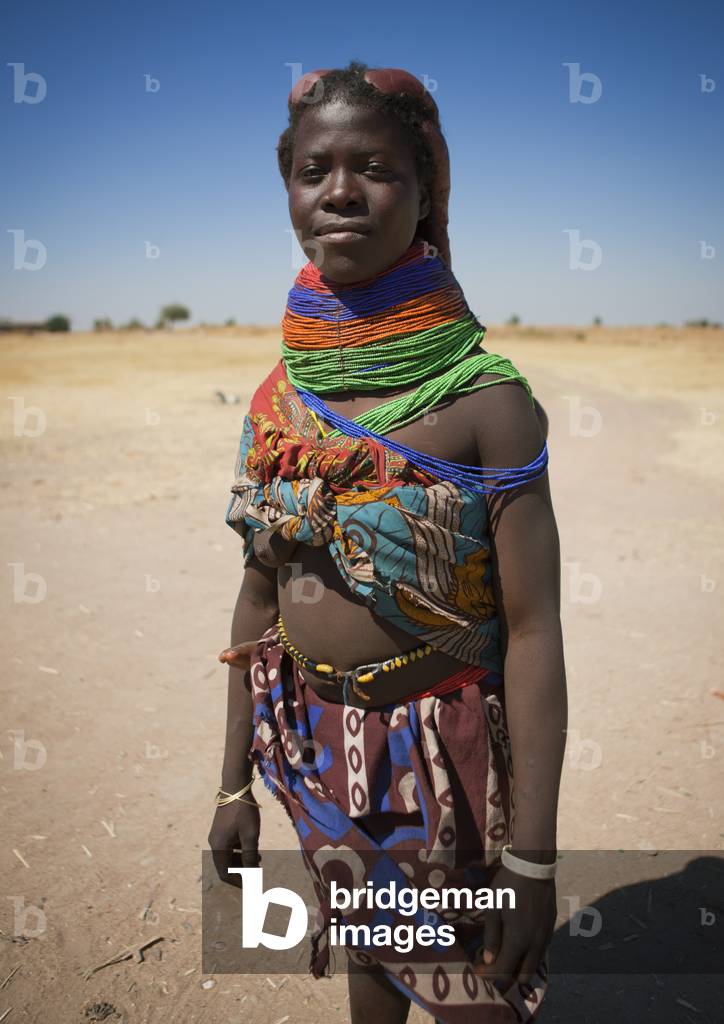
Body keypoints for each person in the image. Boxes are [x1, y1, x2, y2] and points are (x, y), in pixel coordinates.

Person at [208, 61, 567, 1023]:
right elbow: (257, 597)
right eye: (314, 169)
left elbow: (533, 634)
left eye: (376, 168)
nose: (340, 192)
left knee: (473, 995)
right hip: (319, 746)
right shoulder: (279, 400)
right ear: (288, 190)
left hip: (442, 753)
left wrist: (533, 855)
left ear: (425, 192)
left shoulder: (485, 402)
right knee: (369, 956)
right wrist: (232, 782)